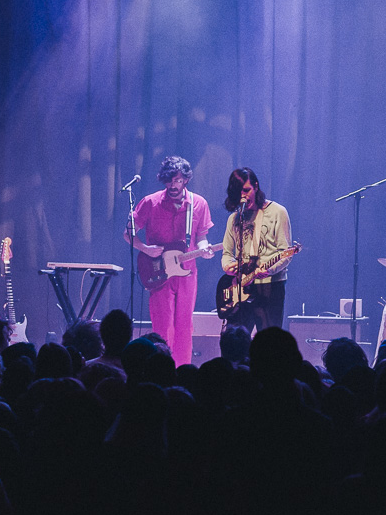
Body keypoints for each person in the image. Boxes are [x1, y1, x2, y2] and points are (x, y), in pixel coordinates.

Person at [124, 156, 214, 365]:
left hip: (187, 273)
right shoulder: (150, 202)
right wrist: (145, 248)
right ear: (164, 180)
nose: (174, 185)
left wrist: (204, 249)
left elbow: (201, 237)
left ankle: (181, 370)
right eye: (170, 181)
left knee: (184, 326)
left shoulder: (198, 204)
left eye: (178, 181)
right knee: (163, 326)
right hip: (158, 271)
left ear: (186, 180)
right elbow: (128, 234)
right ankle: (160, 369)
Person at [220, 168, 292, 333]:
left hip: (270, 287)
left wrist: (270, 269)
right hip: (241, 288)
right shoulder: (235, 218)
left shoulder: (277, 212)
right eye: (239, 192)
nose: (243, 196)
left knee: (268, 341)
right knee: (235, 340)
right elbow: (226, 253)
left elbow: (285, 252)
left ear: (256, 187)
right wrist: (228, 266)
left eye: (247, 190)